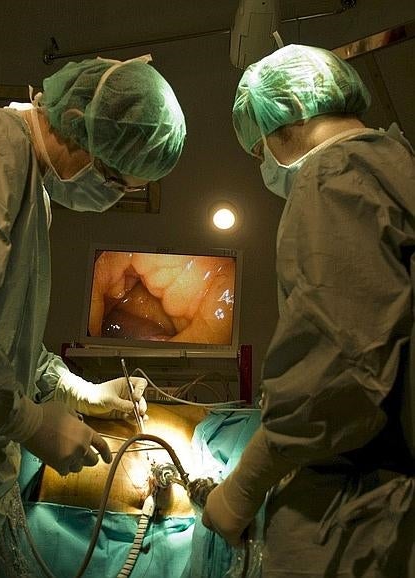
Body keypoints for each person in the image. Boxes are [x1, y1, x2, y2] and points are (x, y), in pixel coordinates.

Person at [0, 54, 186, 577]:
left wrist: (80, 391)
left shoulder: (28, 184)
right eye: (113, 177)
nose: (112, 195)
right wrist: (28, 423)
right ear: (74, 123)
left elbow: (2, 337)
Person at [202, 44, 414, 577]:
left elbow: (337, 372)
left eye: (258, 150)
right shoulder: (396, 164)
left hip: (365, 518)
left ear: (286, 120)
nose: (263, 164)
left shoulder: (334, 175)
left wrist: (242, 488)